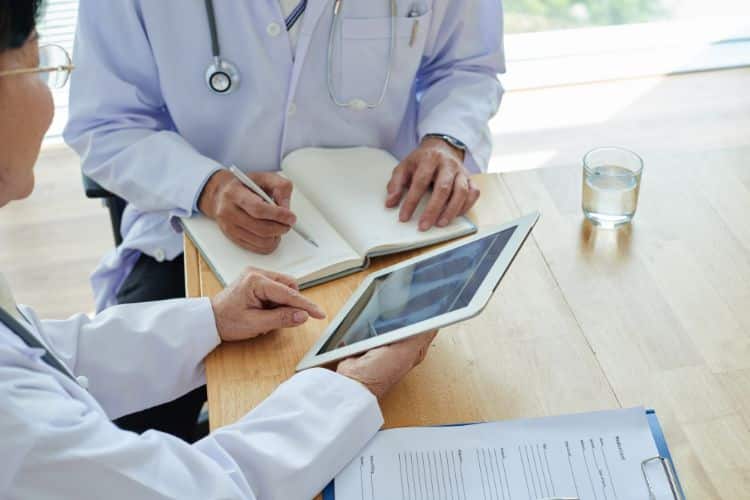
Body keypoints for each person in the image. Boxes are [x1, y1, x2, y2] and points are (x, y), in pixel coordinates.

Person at [0, 3, 437, 498]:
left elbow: (45, 349)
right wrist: (355, 387)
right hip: (181, 231)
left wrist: (209, 320)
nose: (49, 102)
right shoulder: (13, 416)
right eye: (41, 66)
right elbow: (203, 491)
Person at [63, 0, 504, 437]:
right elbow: (106, 123)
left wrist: (446, 140)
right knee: (126, 432)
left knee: (446, 409)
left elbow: (467, 67)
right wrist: (206, 186)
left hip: (387, 226)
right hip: (191, 234)